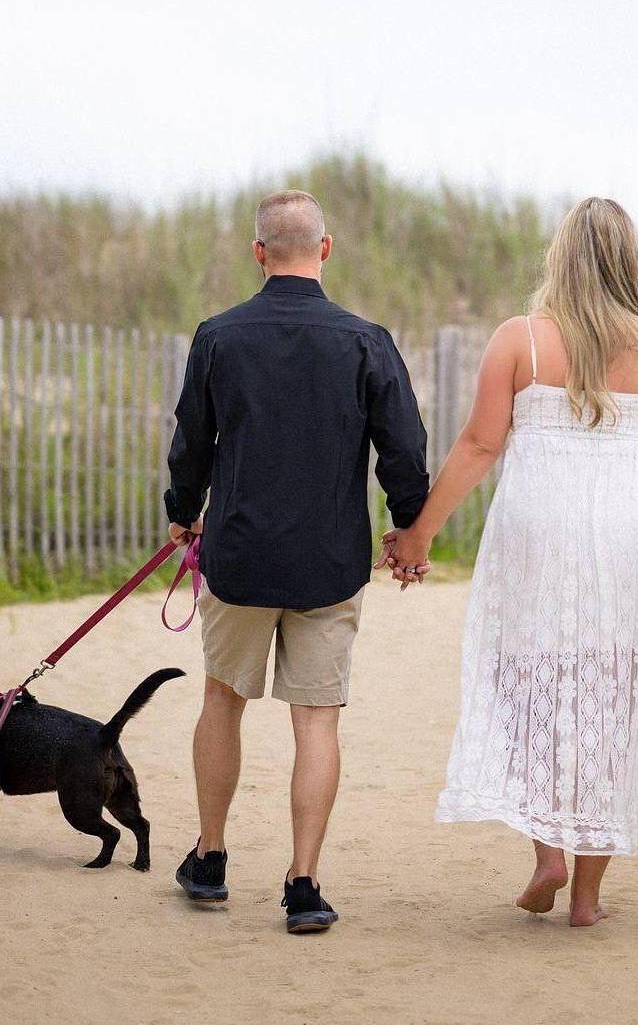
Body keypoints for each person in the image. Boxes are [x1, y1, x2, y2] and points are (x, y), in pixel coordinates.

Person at [379, 197, 638, 927]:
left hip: (535, 530)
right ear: (632, 263)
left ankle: (547, 855)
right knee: (615, 692)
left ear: (561, 259)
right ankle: (588, 895)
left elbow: (479, 444)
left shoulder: (521, 340)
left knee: (530, 682)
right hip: (629, 536)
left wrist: (418, 535)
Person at [164, 189, 429, 934]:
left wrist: (183, 510)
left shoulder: (218, 337)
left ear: (258, 253)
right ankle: (304, 883)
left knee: (222, 700)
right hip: (329, 563)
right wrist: (409, 528)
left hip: (239, 558)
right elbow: (404, 447)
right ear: (325, 248)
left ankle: (210, 858)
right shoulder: (366, 341)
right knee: (317, 722)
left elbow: (191, 440)